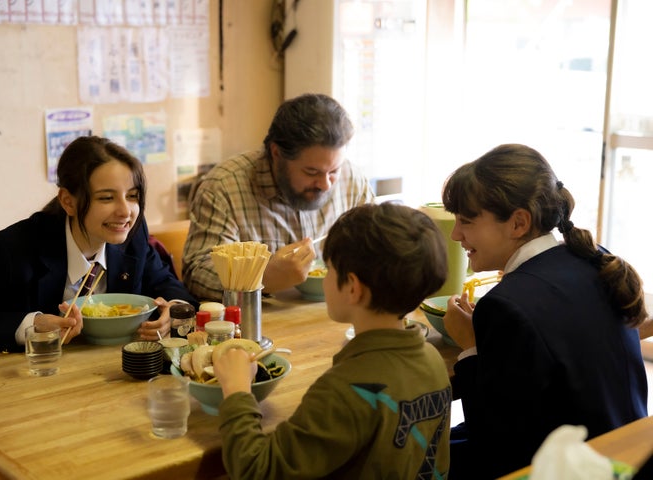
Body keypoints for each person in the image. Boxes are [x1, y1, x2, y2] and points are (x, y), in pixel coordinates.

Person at [440, 144, 648, 479]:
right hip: (624, 449)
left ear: (518, 223)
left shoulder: (505, 305)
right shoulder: (595, 260)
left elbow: (495, 443)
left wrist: (470, 346)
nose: (455, 234)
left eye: (466, 221)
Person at [213, 202, 453, 479]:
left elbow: (257, 469)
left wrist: (236, 390)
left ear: (353, 287)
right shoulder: (433, 361)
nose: (325, 279)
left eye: (328, 269)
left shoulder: (347, 389)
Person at [0, 136, 198, 352]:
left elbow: (174, 292)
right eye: (107, 198)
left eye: (132, 196)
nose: (125, 211)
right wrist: (32, 325)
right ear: (68, 201)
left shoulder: (133, 239)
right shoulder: (11, 250)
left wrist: (171, 314)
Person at [183, 93, 374, 301]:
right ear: (276, 153)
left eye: (334, 171)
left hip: (337, 317)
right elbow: (196, 273)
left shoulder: (352, 179)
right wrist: (261, 278)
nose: (326, 184)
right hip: (258, 326)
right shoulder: (223, 188)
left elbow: (376, 246)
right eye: (311, 172)